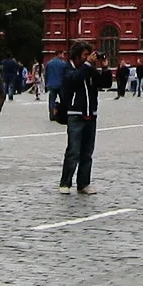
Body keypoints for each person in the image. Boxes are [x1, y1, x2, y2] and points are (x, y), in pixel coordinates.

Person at [58, 41, 100, 194]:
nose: (89, 57)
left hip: (91, 114)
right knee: (73, 151)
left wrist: (106, 67)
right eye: (85, 55)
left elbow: (105, 82)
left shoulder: (89, 69)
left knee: (87, 152)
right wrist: (87, 65)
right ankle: (65, 183)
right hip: (75, 114)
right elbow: (74, 80)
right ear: (77, 56)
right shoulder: (68, 69)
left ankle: (83, 184)